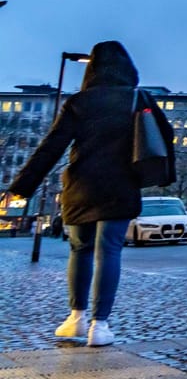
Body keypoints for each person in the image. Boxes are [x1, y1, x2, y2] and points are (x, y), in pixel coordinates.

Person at [5, 41, 159, 348]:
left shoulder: (79, 102)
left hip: (81, 186)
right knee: (110, 252)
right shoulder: (139, 98)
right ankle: (100, 326)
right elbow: (160, 139)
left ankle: (75, 318)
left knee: (80, 250)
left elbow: (51, 147)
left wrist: (20, 187)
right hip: (121, 185)